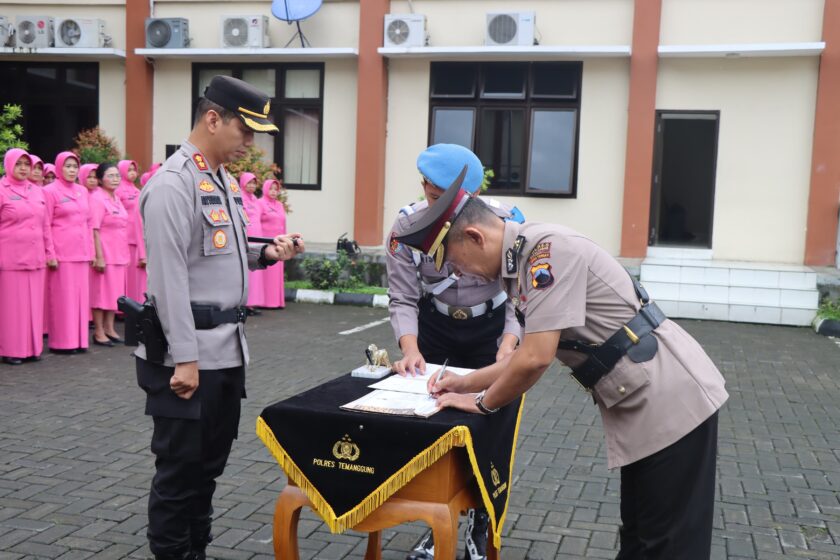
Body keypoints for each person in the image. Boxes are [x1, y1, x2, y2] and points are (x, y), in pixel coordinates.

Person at [396, 181, 730, 560]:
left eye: (455, 262)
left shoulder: (545, 253)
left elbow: (536, 357)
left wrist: (482, 403)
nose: (460, 274)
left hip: (671, 399)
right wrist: (463, 381)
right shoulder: (524, 257)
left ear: (475, 236)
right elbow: (521, 354)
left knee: (668, 544)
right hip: (646, 398)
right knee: (641, 534)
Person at [136, 74, 304, 560]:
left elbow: (219, 252)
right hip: (187, 358)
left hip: (226, 352)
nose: (249, 144)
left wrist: (267, 252)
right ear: (213, 119)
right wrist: (184, 359)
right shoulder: (173, 184)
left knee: (206, 472)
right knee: (178, 474)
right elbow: (168, 279)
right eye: (245, 131)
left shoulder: (219, 178)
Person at [386, 144, 522, 560]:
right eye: (431, 193)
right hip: (437, 328)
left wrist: (510, 343)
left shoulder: (503, 221)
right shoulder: (407, 226)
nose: (436, 201)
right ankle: (436, 515)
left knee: (491, 417)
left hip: (491, 330)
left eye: (447, 197)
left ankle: (482, 515)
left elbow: (521, 297)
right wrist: (410, 349)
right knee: (436, 423)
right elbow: (402, 297)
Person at [0, 149, 51, 365]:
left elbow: (45, 225)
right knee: (12, 308)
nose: (23, 168)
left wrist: (50, 252)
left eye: (26, 164)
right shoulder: (2, 189)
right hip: (10, 258)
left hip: (36, 257)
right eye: (18, 163)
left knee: (34, 307)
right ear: (8, 165)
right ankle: (11, 349)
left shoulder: (37, 191)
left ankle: (32, 348)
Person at [43, 151, 92, 354]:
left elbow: (88, 222)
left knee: (80, 299)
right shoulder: (49, 191)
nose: (72, 170)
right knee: (63, 299)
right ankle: (62, 342)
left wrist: (90, 251)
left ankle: (80, 340)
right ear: (59, 168)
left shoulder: (82, 191)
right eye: (68, 166)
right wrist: (50, 253)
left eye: (75, 166)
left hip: (81, 252)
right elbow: (45, 223)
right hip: (62, 252)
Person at [89, 162, 129, 346]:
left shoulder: (116, 198)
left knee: (115, 293)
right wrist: (98, 256)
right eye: (110, 175)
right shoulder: (97, 198)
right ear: (100, 179)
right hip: (105, 252)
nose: (115, 179)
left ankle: (110, 328)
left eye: (117, 176)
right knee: (101, 294)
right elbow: (94, 229)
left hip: (119, 252)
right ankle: (98, 331)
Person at [116, 159, 147, 303]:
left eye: (134, 170)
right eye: (129, 170)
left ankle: (135, 302)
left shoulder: (137, 190)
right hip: (124, 237)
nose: (132, 173)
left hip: (137, 236)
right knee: (126, 273)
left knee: (135, 274)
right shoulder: (118, 189)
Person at [239, 172, 264, 315]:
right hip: (247, 237)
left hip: (258, 236)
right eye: (249, 182)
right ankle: (245, 304)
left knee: (256, 271)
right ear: (243, 183)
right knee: (247, 271)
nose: (252, 185)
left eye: (254, 183)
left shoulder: (255, 198)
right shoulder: (239, 197)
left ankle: (253, 303)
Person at [259, 179, 286, 309]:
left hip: (279, 243)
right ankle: (264, 302)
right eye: (271, 189)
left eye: (276, 189)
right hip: (266, 244)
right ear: (265, 189)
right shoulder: (259, 203)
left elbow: (283, 224)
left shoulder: (279, 205)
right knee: (266, 272)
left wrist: (286, 242)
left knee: (276, 273)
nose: (274, 191)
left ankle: (276, 301)